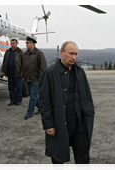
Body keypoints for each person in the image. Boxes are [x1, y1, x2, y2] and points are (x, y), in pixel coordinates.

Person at [39, 41, 95, 170]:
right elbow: (44, 101)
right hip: (59, 125)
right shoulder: (50, 73)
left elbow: (86, 97)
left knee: (83, 158)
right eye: (71, 53)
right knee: (58, 158)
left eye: (76, 54)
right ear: (62, 52)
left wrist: (88, 115)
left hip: (79, 125)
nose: (74, 57)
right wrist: (48, 124)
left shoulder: (80, 72)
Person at [22, 36, 47, 120]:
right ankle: (42, 108)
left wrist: (40, 76)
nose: (26, 45)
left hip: (36, 78)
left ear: (32, 44)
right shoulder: (25, 54)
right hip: (28, 78)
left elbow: (43, 66)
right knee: (33, 96)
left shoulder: (39, 53)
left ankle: (29, 113)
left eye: (27, 43)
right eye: (26, 43)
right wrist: (23, 75)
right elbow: (23, 66)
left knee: (33, 96)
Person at [2, 39, 23, 106]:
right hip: (10, 71)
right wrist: (3, 70)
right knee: (11, 87)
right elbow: (4, 61)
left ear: (17, 44)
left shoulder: (20, 52)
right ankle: (12, 100)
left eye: (14, 43)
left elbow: (23, 62)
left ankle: (18, 100)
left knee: (18, 87)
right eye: (11, 43)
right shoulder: (8, 52)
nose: (12, 44)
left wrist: (22, 71)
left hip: (17, 71)